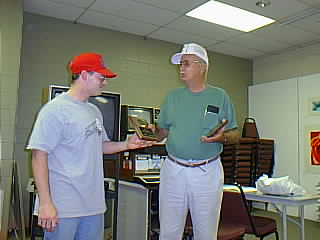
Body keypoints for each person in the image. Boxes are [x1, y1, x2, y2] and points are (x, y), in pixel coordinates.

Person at [27, 52, 154, 240]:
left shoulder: (93, 110)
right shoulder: (54, 110)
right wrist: (46, 203)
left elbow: (100, 146)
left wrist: (127, 144)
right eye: (101, 77)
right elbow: (39, 156)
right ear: (84, 74)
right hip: (64, 207)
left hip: (93, 206)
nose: (105, 82)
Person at [155, 43, 240, 240]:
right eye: (180, 64)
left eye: (186, 64)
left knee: (206, 232)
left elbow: (234, 133)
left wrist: (223, 137)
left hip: (207, 171)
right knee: (168, 231)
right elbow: (162, 132)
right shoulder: (172, 97)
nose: (181, 68)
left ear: (202, 66)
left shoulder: (220, 96)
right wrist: (150, 133)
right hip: (174, 170)